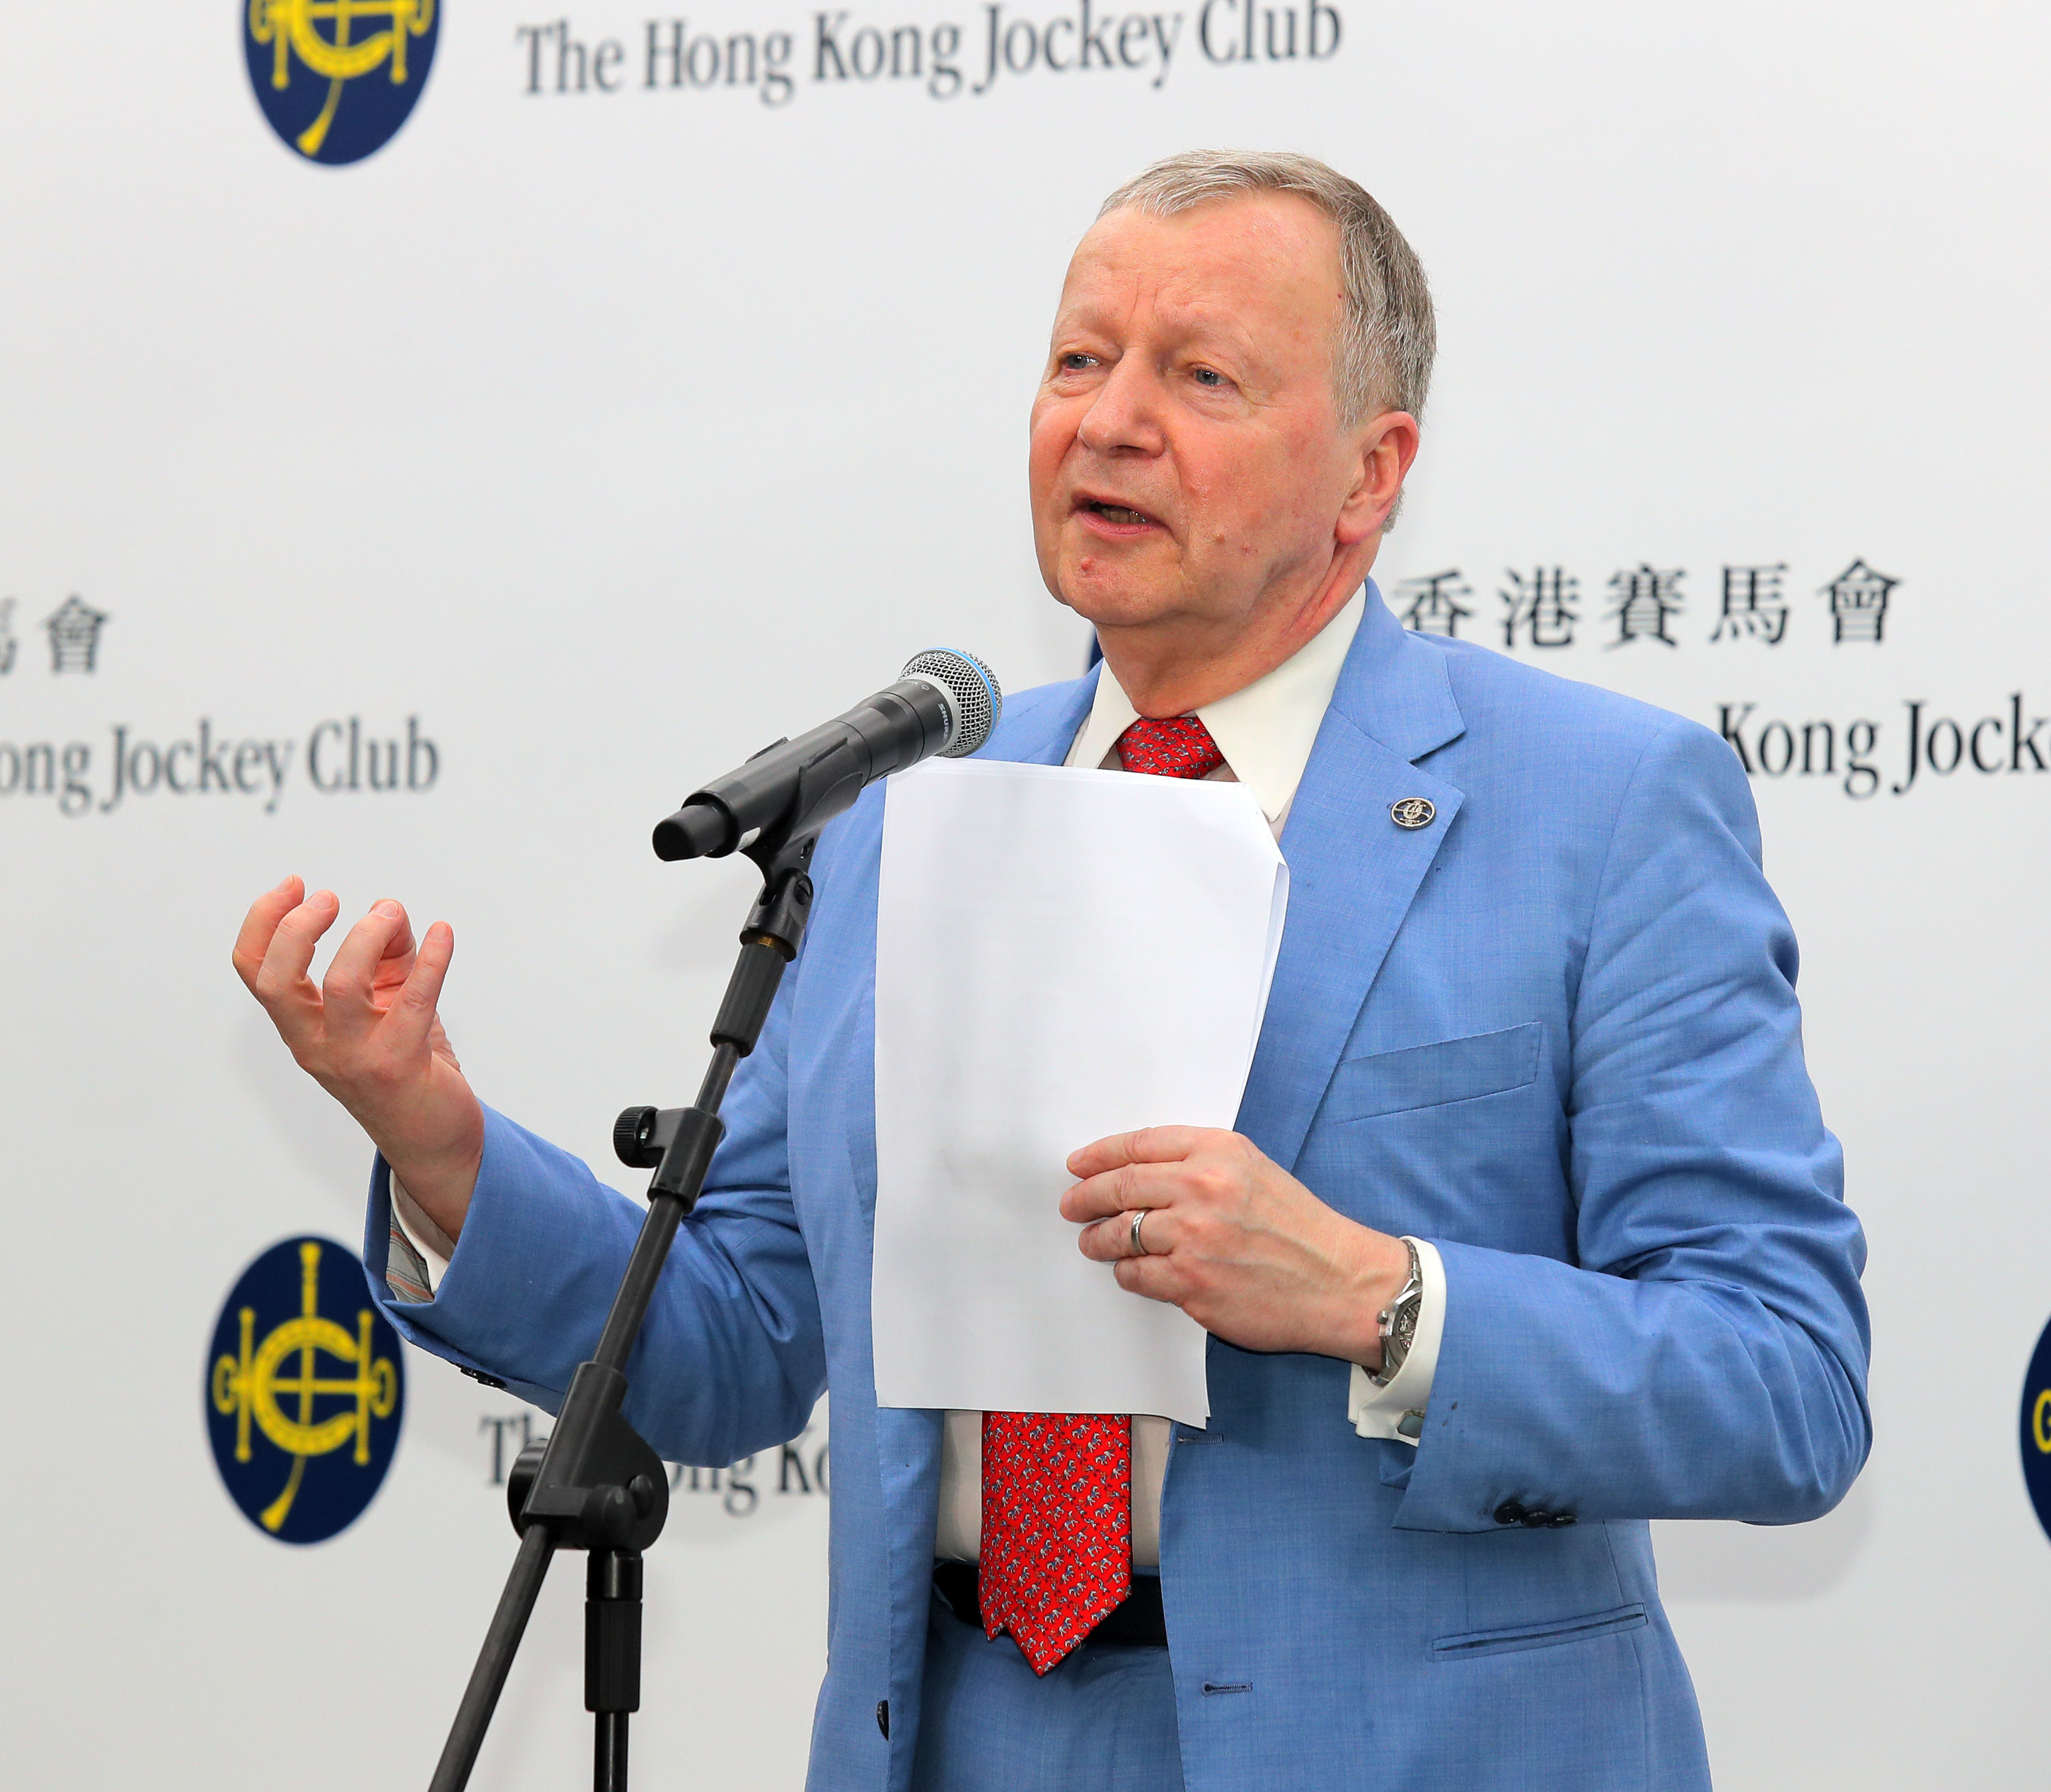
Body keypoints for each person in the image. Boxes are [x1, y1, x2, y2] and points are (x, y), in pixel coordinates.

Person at [233, 149, 1868, 1792]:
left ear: (1369, 476)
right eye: (1078, 359)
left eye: (1200, 374)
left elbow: (1784, 1378)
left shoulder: (1601, 808)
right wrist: (434, 1137)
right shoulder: (901, 822)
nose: (1107, 420)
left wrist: (1375, 1294)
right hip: (962, 1736)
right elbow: (730, 1341)